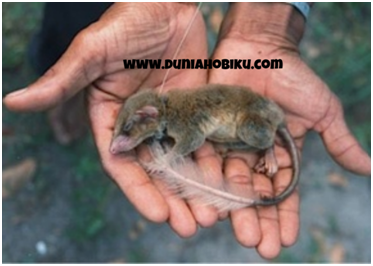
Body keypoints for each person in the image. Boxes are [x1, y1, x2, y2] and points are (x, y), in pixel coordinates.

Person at [4, 3, 370, 259]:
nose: (123, 143)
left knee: (255, 137)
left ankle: (272, 149)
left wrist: (267, 24)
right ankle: (70, 88)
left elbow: (192, 139)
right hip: (225, 108)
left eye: (129, 133)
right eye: (126, 134)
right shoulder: (165, 112)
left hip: (255, 117)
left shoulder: (178, 117)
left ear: (150, 117)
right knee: (76, 21)